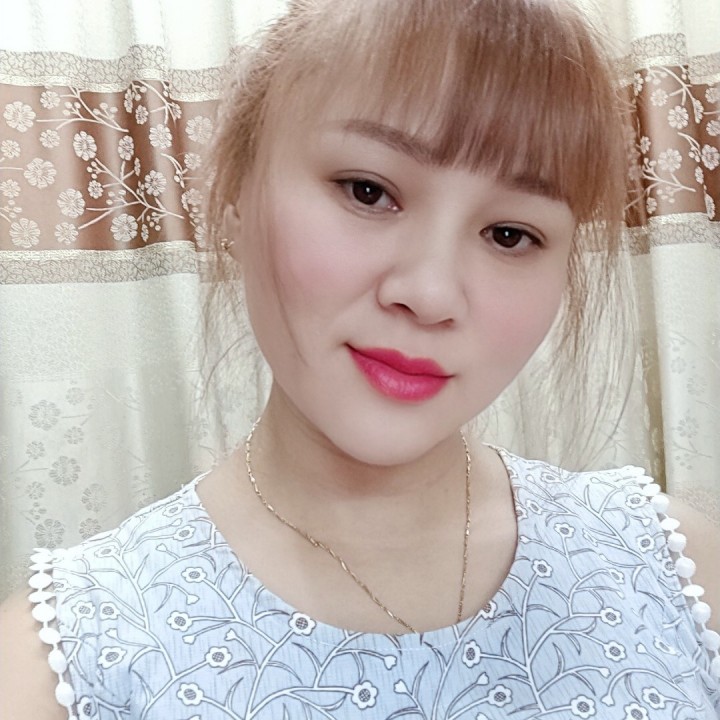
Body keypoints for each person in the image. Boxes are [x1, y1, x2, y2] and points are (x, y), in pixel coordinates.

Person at [1, 0, 719, 717]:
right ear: (236, 201)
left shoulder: (675, 573)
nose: (430, 294)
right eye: (368, 192)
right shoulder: (61, 665)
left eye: (510, 234)